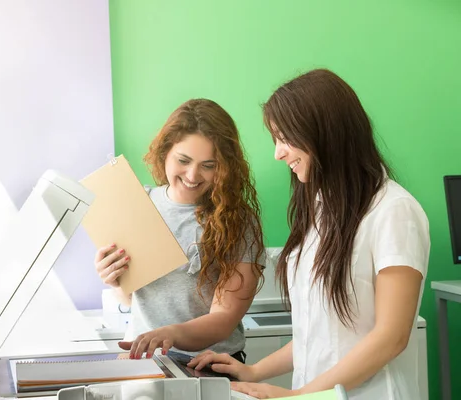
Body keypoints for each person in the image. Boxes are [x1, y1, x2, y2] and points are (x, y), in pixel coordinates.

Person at [188, 69, 430, 400]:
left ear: (324, 133)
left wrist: (298, 395)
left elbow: (391, 336)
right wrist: (254, 370)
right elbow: (319, 334)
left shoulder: (393, 211)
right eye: (275, 140)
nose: (278, 153)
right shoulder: (322, 211)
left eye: (285, 139)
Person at [94, 98, 266, 362]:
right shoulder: (138, 205)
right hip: (144, 361)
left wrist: (170, 334)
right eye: (183, 160)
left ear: (225, 167)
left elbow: (223, 319)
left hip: (209, 364)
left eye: (209, 165)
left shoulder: (239, 221)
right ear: (165, 152)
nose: (193, 175)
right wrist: (114, 280)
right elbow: (132, 300)